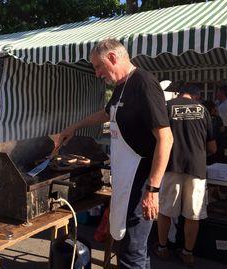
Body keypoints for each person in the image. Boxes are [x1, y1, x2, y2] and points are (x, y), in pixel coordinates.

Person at [58, 39, 173, 268]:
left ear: (112, 57)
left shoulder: (144, 84)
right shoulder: (122, 86)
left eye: (98, 67)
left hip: (141, 184)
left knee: (132, 255)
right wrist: (74, 127)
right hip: (126, 181)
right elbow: (105, 113)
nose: (98, 74)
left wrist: (153, 190)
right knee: (132, 250)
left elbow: (166, 139)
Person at [155, 85, 216, 267]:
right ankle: (188, 253)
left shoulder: (166, 106)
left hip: (170, 165)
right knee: (193, 214)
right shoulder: (203, 110)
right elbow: (212, 147)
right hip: (196, 168)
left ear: (179, 93)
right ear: (196, 96)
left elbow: (158, 138)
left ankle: (162, 248)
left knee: (165, 211)